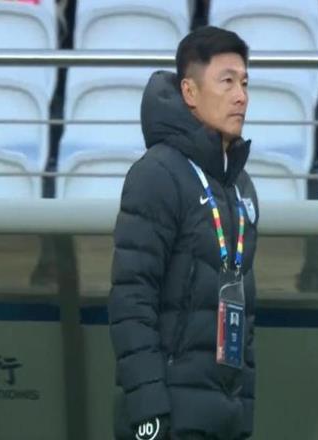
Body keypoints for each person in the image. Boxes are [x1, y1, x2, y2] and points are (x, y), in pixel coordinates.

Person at [109, 26, 259, 440]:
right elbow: (131, 300)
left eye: (245, 83)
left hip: (224, 418)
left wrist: (243, 416)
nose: (241, 96)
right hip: (167, 417)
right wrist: (148, 412)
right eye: (227, 81)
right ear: (190, 92)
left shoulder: (241, 186)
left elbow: (244, 318)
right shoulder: (157, 173)